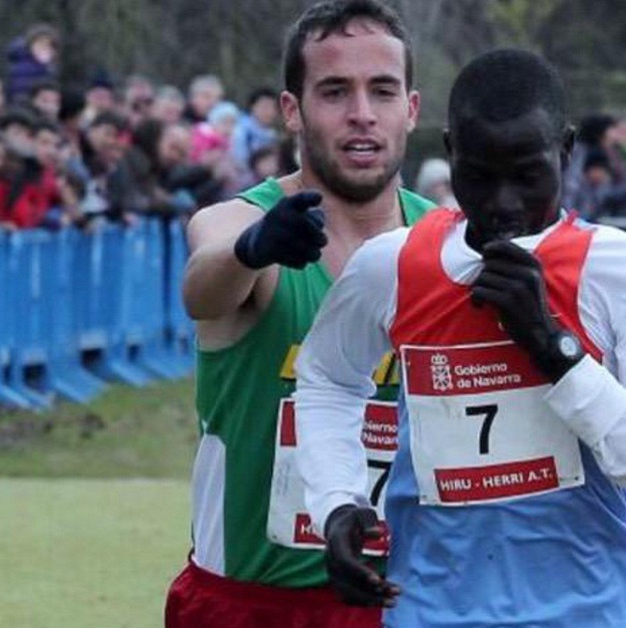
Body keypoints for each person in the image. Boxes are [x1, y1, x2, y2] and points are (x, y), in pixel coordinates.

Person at [293, 48, 626, 627]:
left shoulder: (624, 267)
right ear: (449, 153)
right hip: (433, 612)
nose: (504, 203)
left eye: (528, 175)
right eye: (480, 178)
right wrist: (337, 502)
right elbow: (327, 378)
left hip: (603, 613)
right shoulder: (391, 266)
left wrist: (556, 351)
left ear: (564, 150)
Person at [164, 1, 433, 626]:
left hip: (402, 604)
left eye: (382, 91)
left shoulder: (447, 246)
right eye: (335, 91)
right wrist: (252, 251)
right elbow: (204, 287)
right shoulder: (241, 223)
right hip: (250, 605)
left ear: (411, 110)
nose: (362, 114)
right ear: (293, 110)